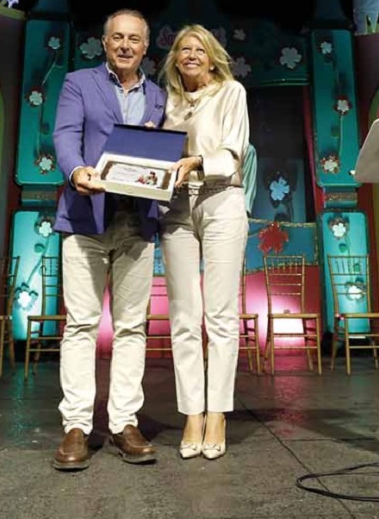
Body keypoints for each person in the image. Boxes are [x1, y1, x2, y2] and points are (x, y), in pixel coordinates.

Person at [51, 9, 166, 470]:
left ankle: (123, 422)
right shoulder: (80, 82)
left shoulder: (157, 95)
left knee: (132, 327)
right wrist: (77, 171)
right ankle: (77, 426)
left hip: (137, 222)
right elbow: (64, 135)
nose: (125, 45)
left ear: (145, 46)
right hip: (85, 219)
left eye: (133, 39)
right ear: (104, 42)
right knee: (80, 324)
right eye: (117, 37)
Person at [158, 24, 250, 461]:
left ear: (211, 57)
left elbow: (234, 151)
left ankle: (218, 412)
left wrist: (195, 160)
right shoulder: (168, 101)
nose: (191, 54)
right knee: (183, 316)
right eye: (183, 49)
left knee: (220, 315)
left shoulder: (231, 93)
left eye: (199, 49)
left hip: (221, 200)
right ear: (175, 58)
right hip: (176, 205)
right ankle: (191, 413)